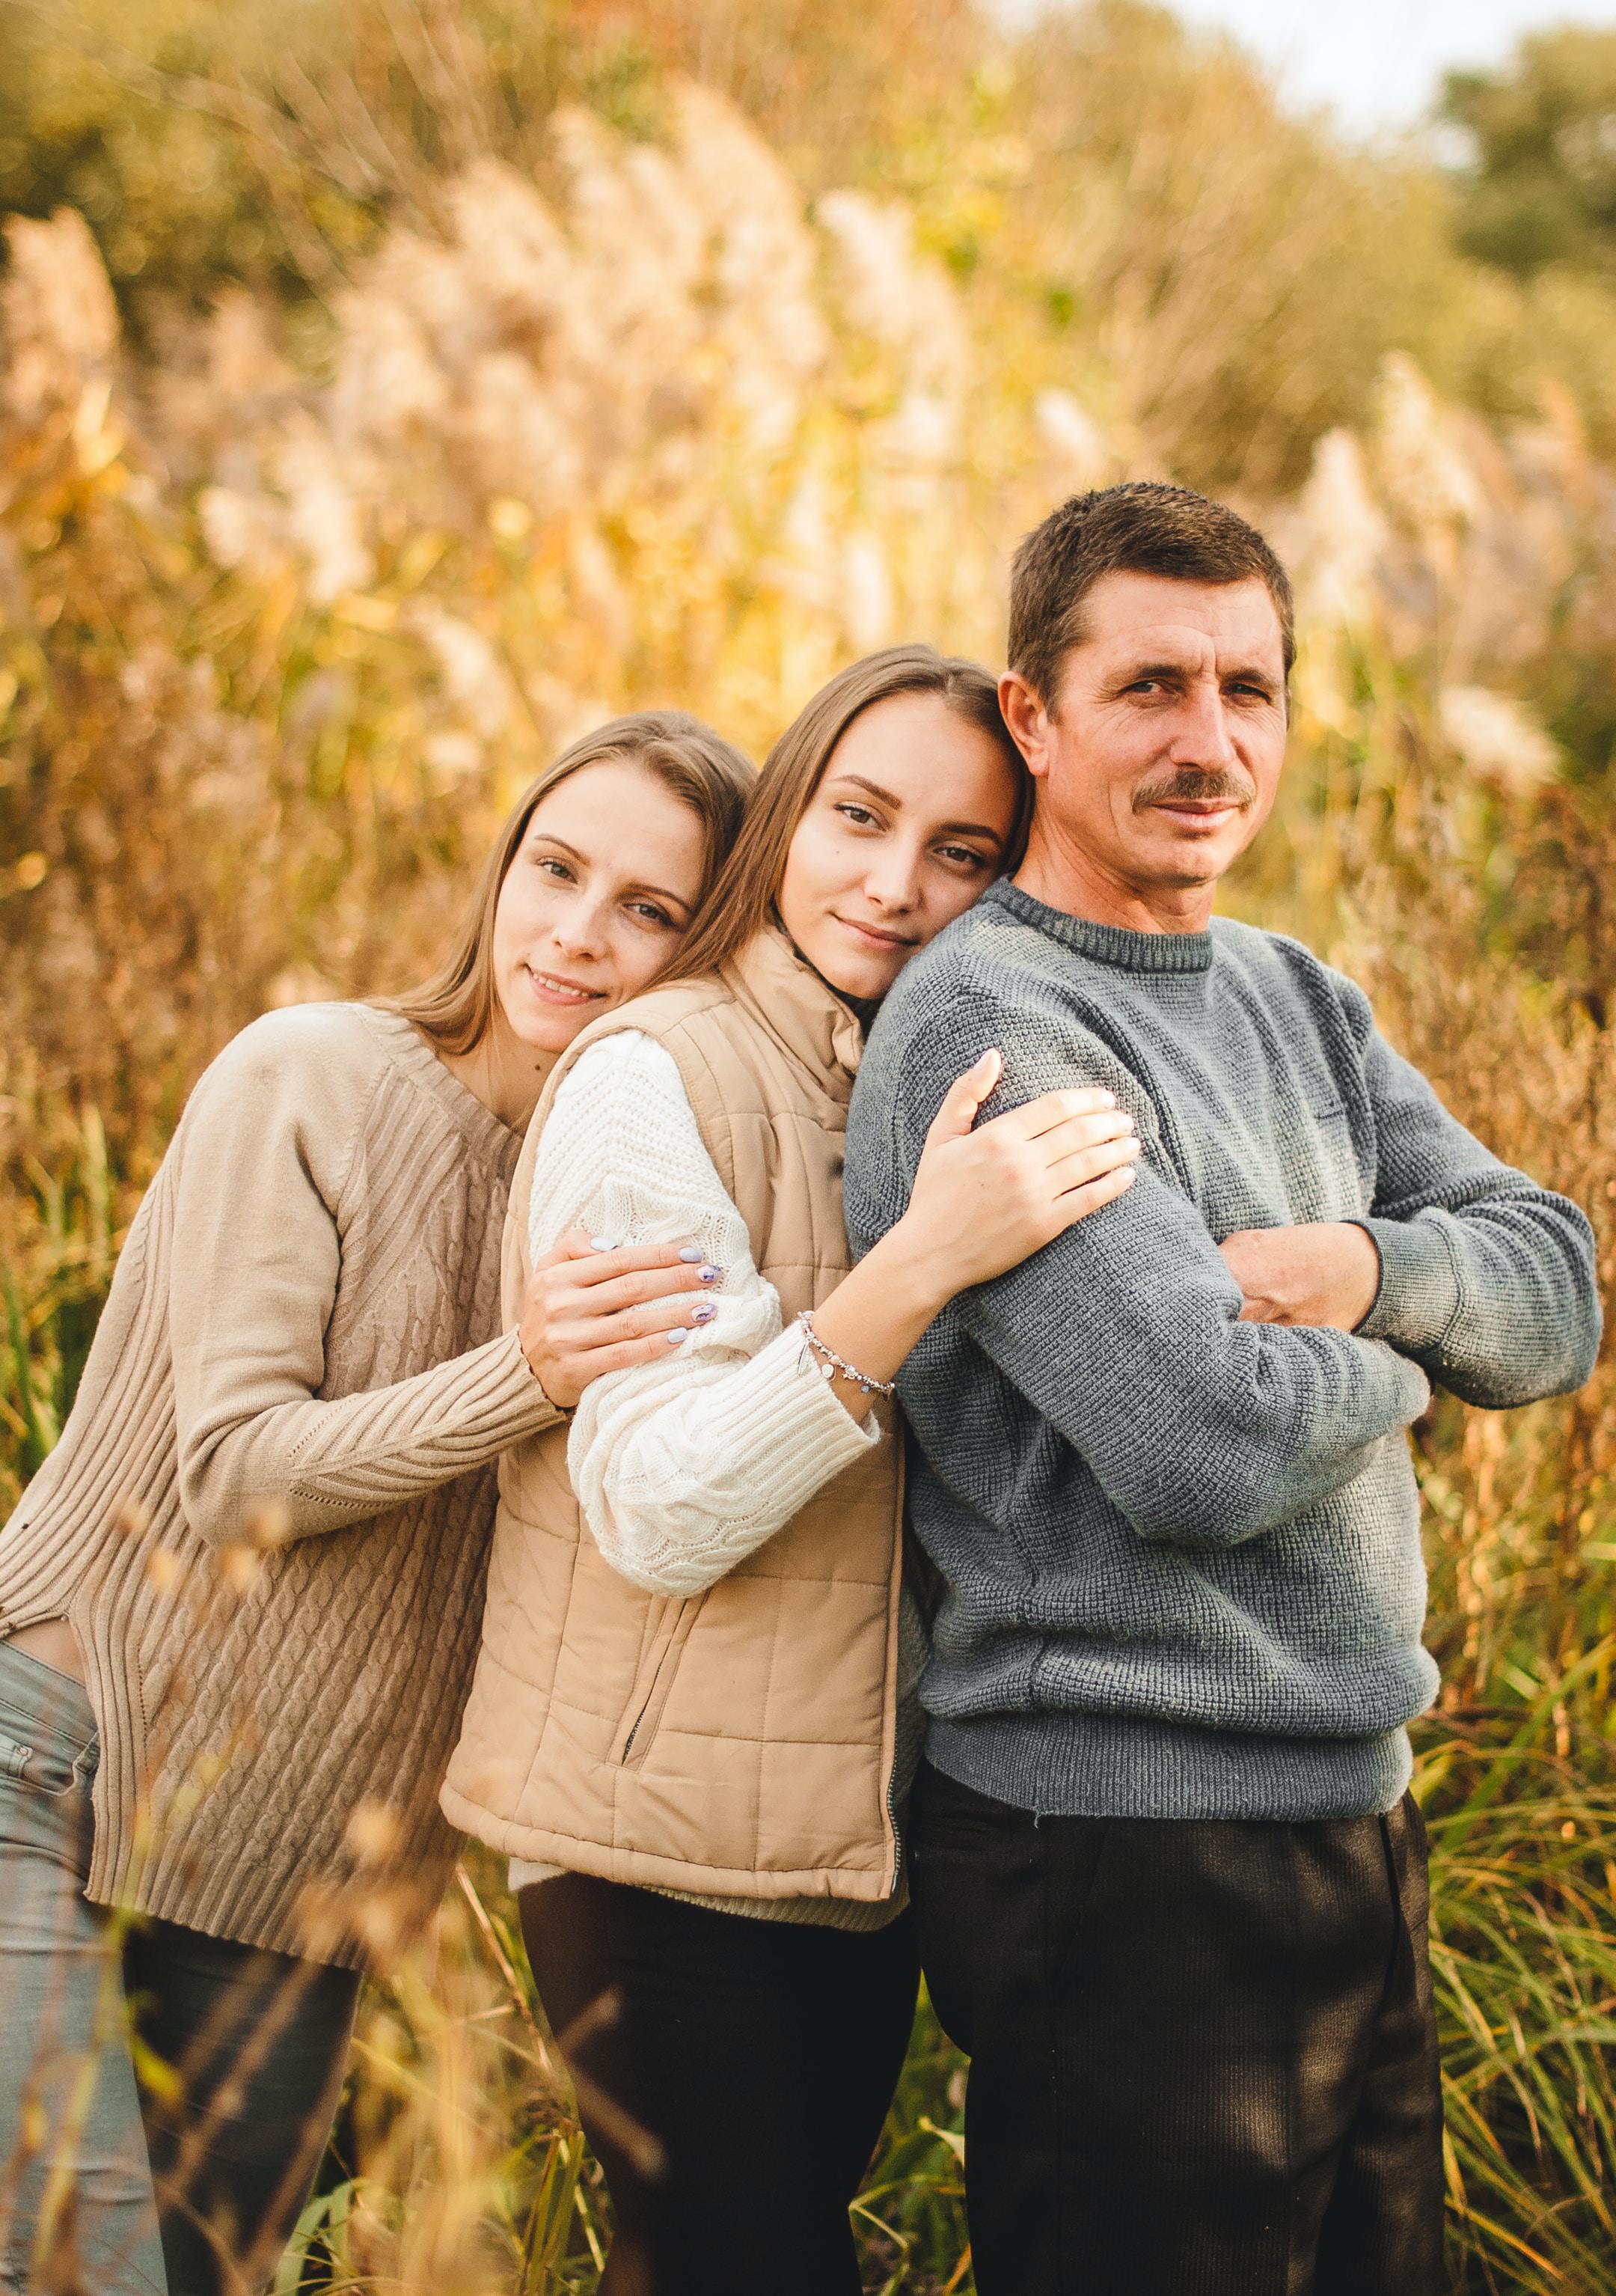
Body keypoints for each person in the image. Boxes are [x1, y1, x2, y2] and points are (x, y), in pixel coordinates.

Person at [842, 483, 1604, 2296]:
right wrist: (1422, 1361)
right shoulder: (992, 1020)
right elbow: (1201, 1442)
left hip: (1350, 1817)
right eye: (1152, 689)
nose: (1210, 744)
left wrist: (1359, 1274)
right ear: (1032, 716)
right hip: (1118, 1853)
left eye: (1248, 690)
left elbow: (1561, 1284)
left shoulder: (1296, 994)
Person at [0, 711, 758, 2296]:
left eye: (647, 909)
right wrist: (526, 1371)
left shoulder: (632, 1190)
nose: (576, 933)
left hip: (304, 1881)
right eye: (555, 869)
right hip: (56, 1771)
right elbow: (232, 1476)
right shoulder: (315, 1076)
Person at [444, 643, 1142, 2296]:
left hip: (845, 1848)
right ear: (787, 811)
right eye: (858, 816)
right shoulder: (657, 1073)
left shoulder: (888, 1076)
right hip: (658, 1852)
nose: (897, 887)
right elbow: (662, 1503)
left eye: (961, 851)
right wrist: (921, 1262)